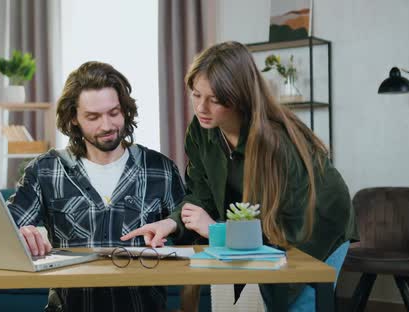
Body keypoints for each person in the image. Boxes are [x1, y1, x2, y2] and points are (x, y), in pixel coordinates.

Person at [122, 41, 357, 309]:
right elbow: (202, 193)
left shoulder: (278, 143)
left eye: (215, 100)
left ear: (240, 97)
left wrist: (216, 230)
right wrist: (171, 223)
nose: (201, 108)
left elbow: (282, 229)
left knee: (297, 304)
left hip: (316, 225)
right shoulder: (201, 131)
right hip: (271, 230)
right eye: (196, 95)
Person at [7, 61, 185, 312]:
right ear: (73, 118)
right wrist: (21, 235)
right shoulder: (46, 170)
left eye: (114, 113)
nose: (107, 126)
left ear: (125, 110)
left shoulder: (160, 169)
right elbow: (5, 230)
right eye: (93, 117)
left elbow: (193, 241)